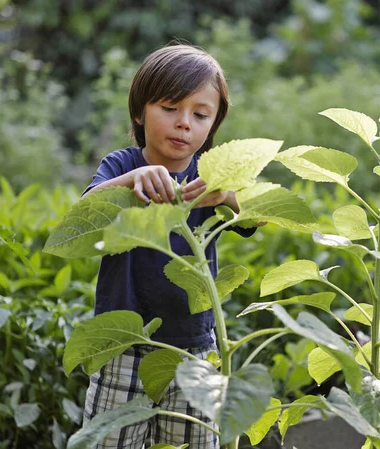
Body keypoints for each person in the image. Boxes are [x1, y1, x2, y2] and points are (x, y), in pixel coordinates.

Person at [81, 43, 252, 449]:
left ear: (213, 125)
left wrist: (227, 196)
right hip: (124, 342)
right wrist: (133, 180)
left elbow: (254, 219)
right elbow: (84, 214)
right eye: (170, 108)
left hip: (194, 345)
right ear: (140, 112)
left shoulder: (209, 176)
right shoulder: (123, 166)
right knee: (109, 441)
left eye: (200, 114)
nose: (184, 124)